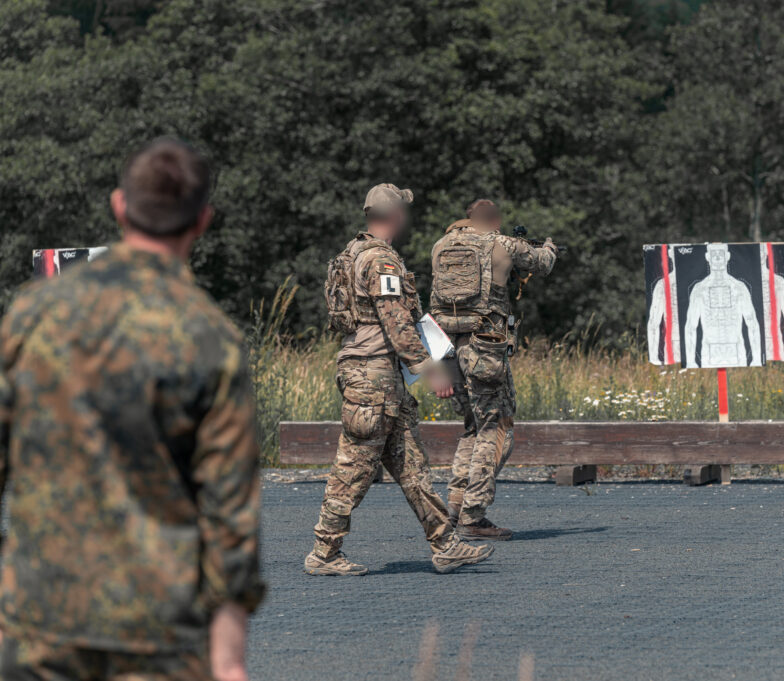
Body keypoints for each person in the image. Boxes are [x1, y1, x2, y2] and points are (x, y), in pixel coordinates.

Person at [0, 138, 264, 681]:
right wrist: (230, 655)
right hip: (158, 628)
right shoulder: (210, 337)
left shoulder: (32, 314)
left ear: (119, 206)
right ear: (202, 221)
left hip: (38, 618)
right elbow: (230, 508)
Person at [305, 184, 494, 576]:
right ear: (394, 215)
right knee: (353, 469)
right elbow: (397, 323)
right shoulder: (381, 261)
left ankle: (445, 543)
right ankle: (324, 552)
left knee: (412, 467)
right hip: (373, 378)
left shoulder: (351, 254)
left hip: (378, 376)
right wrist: (430, 369)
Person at [429, 199, 558, 540]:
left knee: (472, 427)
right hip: (484, 347)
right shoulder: (501, 243)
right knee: (498, 429)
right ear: (495, 220)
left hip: (445, 349)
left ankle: (454, 506)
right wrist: (548, 246)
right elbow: (543, 264)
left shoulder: (440, 246)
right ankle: (474, 514)